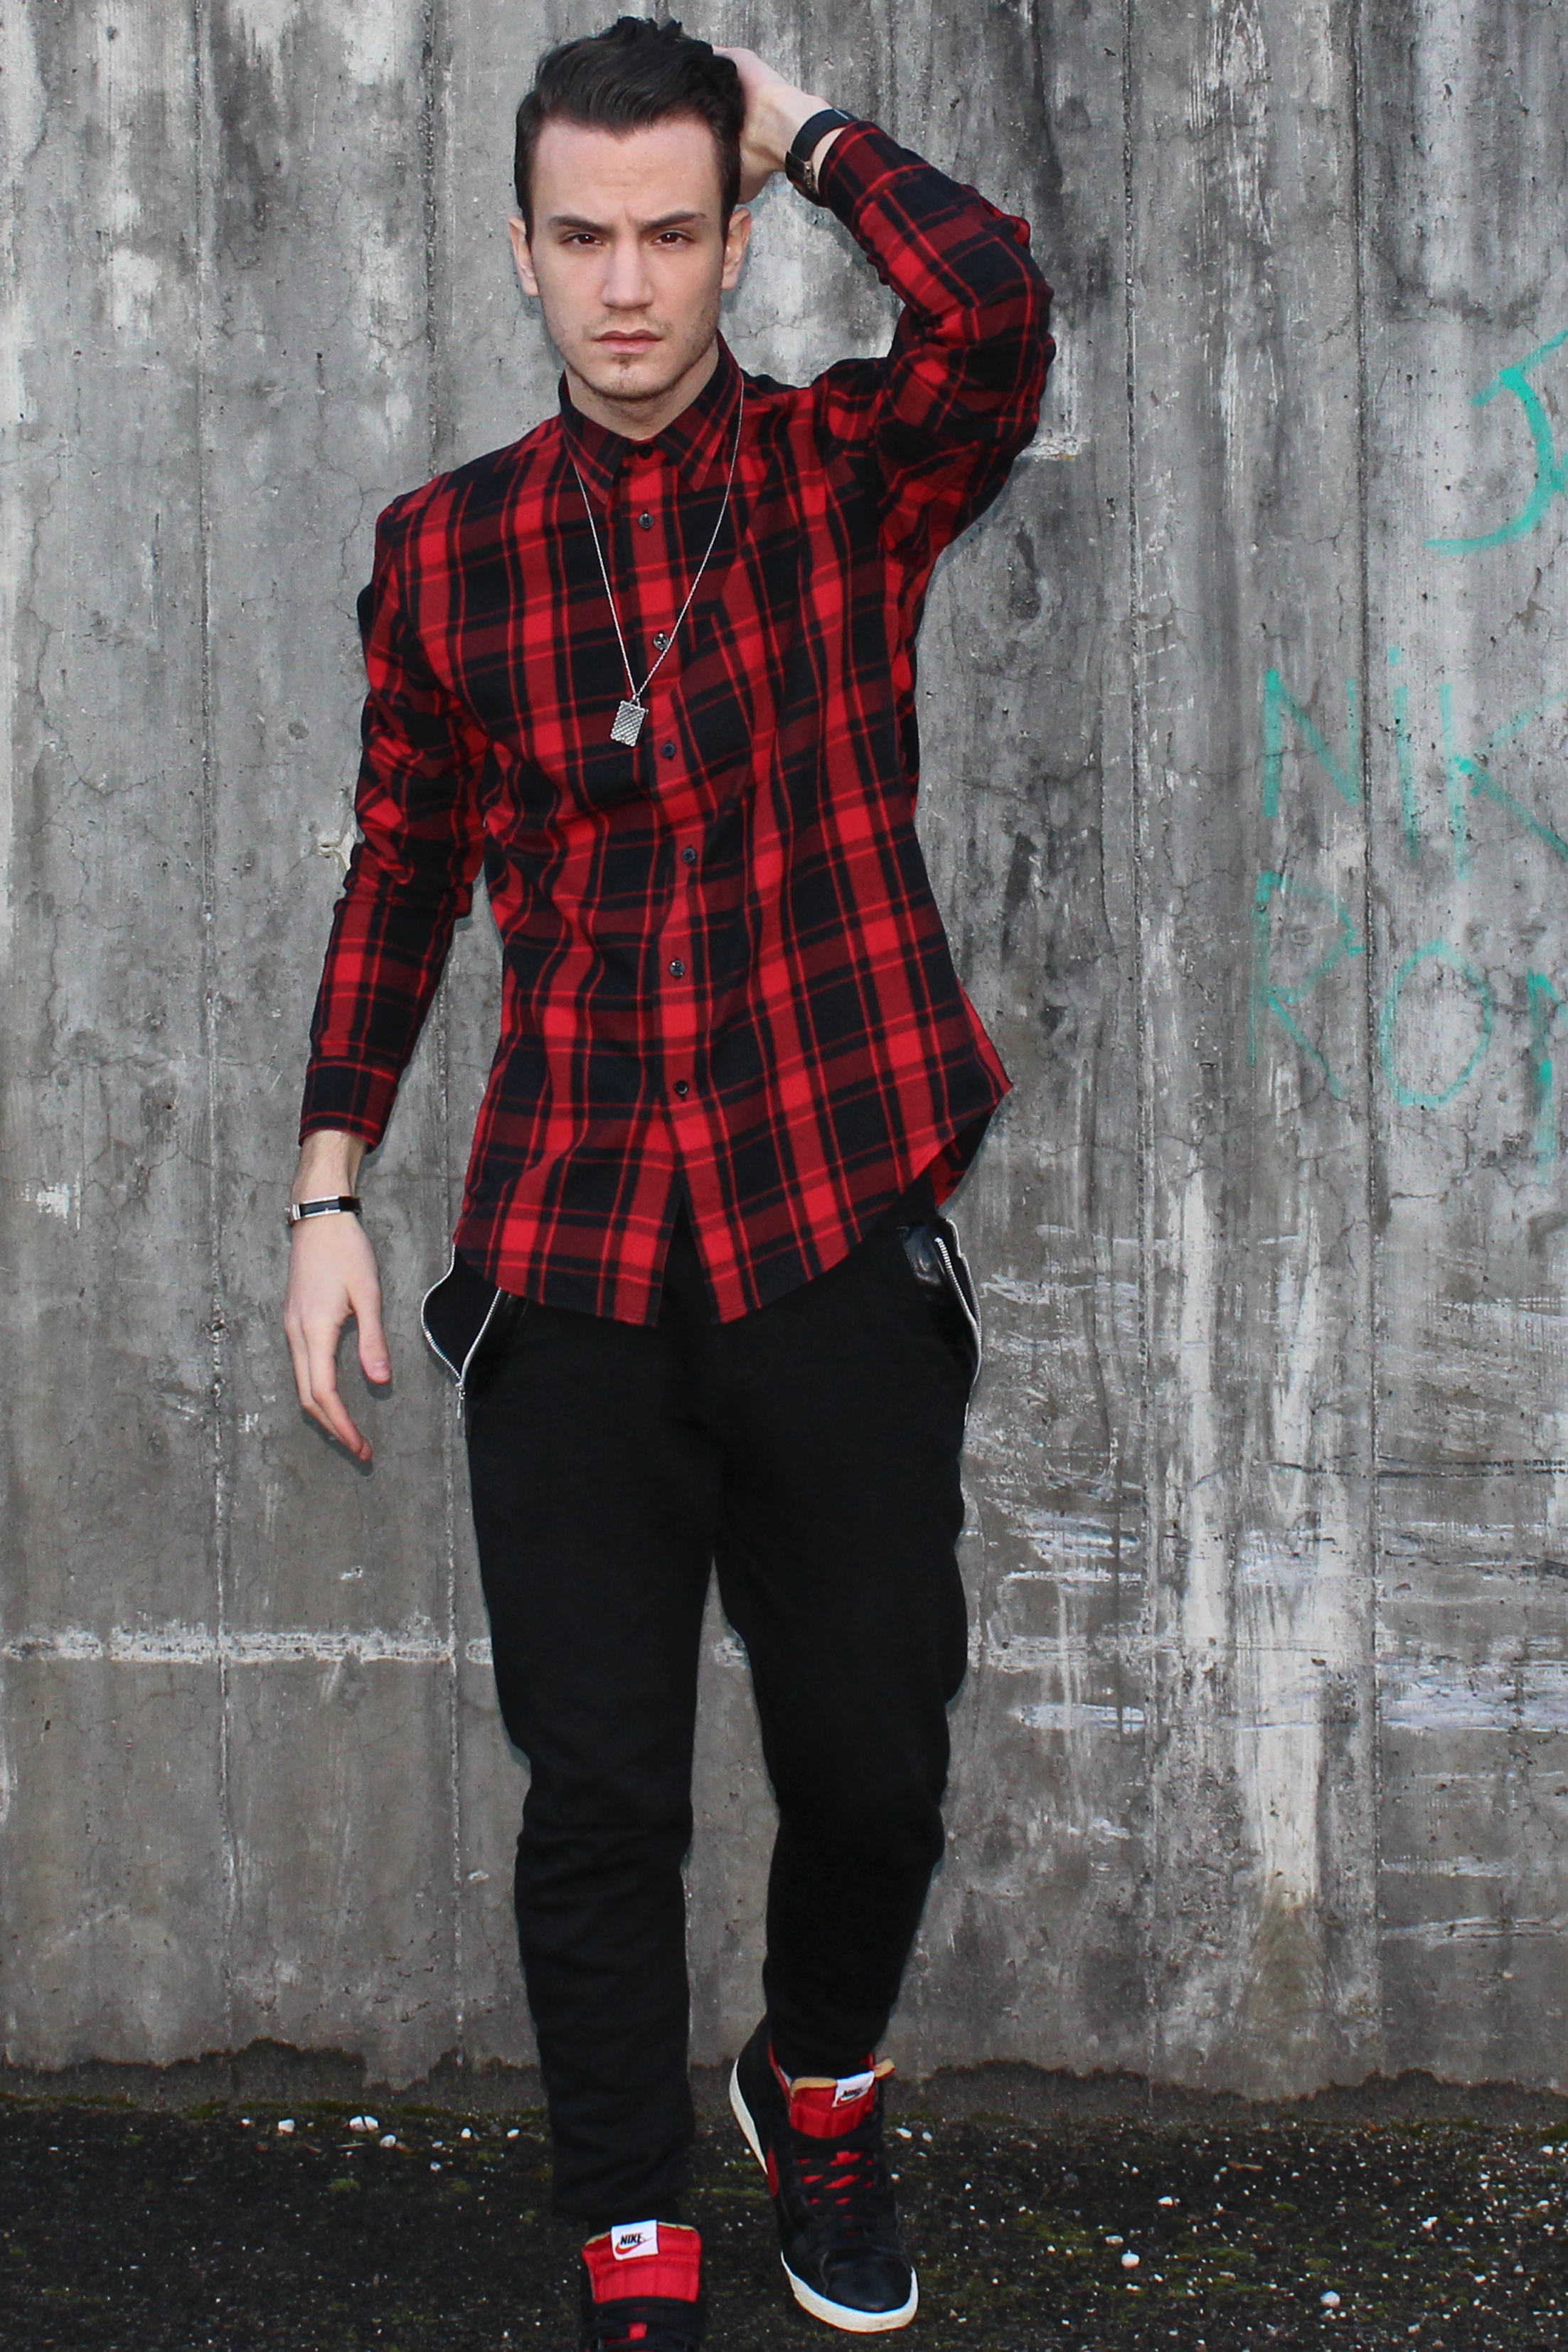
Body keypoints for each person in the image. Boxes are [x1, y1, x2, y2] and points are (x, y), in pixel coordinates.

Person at [283, 18, 1052, 2348]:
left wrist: (808, 131)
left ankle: (820, 2078)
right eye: (584, 238)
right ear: (522, 253)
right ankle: (631, 2217)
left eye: (672, 231)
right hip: (576, 1254)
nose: (627, 285)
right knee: (598, 1786)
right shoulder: (448, 554)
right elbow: (401, 875)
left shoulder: (846, 479)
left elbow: (993, 308)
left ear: (730, 241)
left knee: (873, 1757)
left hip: (828, 1214)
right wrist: (329, 1192)